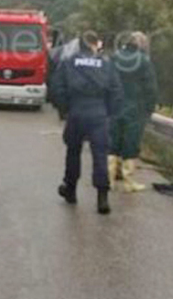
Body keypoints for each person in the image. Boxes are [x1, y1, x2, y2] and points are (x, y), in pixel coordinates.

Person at [51, 31, 123, 214]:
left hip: (76, 111)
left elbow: (57, 88)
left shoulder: (69, 63)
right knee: (100, 154)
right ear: (94, 45)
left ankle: (70, 190)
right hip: (99, 113)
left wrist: (64, 109)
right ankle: (102, 198)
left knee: (73, 151)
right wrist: (108, 113)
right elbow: (116, 91)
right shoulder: (106, 64)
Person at [108, 31, 159, 192]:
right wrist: (149, 109)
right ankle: (129, 182)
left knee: (112, 143)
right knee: (130, 144)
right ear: (141, 45)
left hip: (113, 107)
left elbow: (105, 81)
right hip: (135, 109)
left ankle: (109, 180)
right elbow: (151, 89)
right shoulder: (144, 61)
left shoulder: (114, 58)